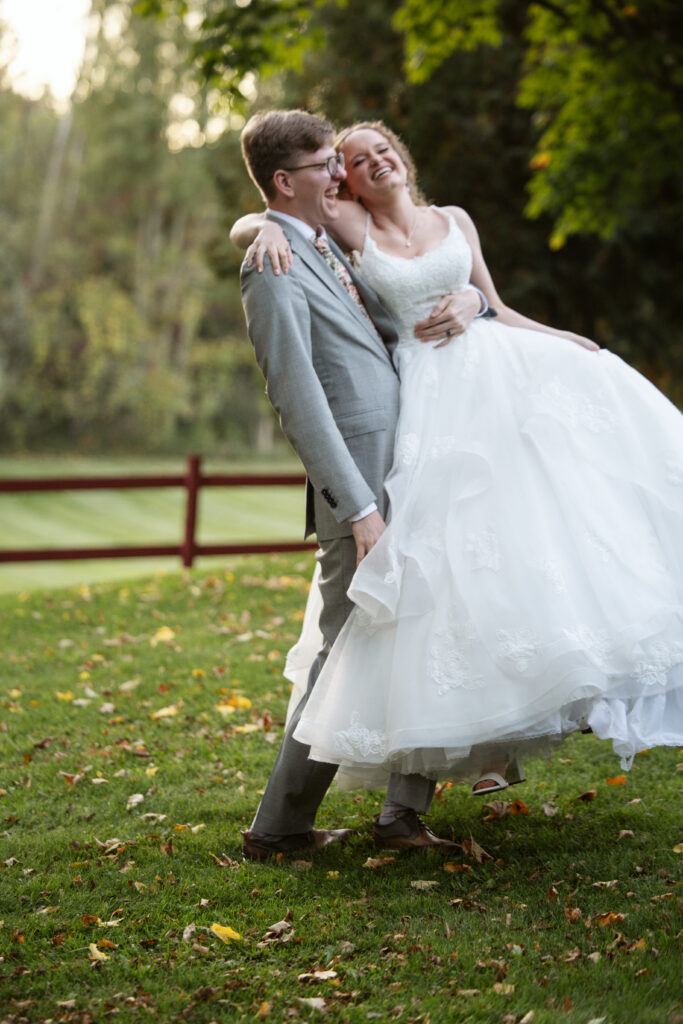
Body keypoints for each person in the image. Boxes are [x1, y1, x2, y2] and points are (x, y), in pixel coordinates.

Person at [236, 119, 683, 800]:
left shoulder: (453, 218)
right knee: (442, 574)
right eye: (350, 161)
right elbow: (272, 217)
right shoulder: (342, 222)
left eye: (380, 150)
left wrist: (539, 328)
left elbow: (496, 307)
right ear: (342, 182)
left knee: (521, 546)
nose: (367, 163)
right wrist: (258, 229)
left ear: (402, 157)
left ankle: (498, 740)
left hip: (492, 385)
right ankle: (409, 779)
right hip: (427, 403)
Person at [236, 110, 492, 860]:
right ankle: (278, 829)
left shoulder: (318, 243)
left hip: (409, 462)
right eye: (325, 166)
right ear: (286, 182)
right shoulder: (270, 263)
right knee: (342, 647)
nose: (340, 176)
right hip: (362, 489)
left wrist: (472, 301)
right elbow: (297, 397)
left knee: (422, 628)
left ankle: (402, 814)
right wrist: (359, 509)